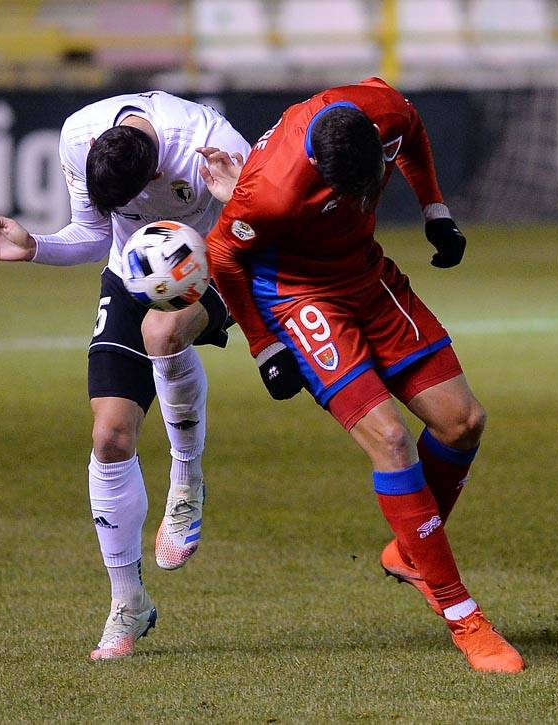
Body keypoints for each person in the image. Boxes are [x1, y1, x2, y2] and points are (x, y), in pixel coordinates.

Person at [205, 77, 524, 673]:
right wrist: (262, 345)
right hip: (301, 297)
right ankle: (464, 617)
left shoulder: (381, 110)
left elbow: (414, 125)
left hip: (368, 279)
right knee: (392, 439)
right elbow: (222, 253)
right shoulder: (271, 190)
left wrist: (435, 211)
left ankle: (411, 553)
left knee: (464, 423)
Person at [0, 91, 250, 658]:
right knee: (109, 436)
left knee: (163, 334)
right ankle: (128, 603)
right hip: (135, 271)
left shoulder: (210, 144)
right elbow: (93, 238)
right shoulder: (78, 134)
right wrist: (35, 246)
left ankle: (186, 480)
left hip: (221, 261)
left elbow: (268, 230)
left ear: (161, 170)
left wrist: (236, 200)